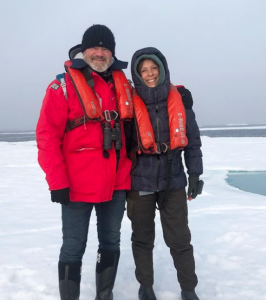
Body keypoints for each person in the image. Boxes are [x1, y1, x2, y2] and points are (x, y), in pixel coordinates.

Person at [36, 24, 132, 300]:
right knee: (73, 247)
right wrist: (57, 182)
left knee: (111, 241)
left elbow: (154, 91)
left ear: (112, 53)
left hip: (116, 182)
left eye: (106, 48)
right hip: (75, 186)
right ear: (83, 49)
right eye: (95, 47)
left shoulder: (122, 84)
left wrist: (181, 93)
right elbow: (46, 138)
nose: (100, 53)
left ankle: (104, 295)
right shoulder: (61, 87)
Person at [126, 47, 204, 300]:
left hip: (174, 179)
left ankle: (188, 289)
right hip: (140, 179)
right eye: (143, 70)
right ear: (137, 74)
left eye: (153, 68)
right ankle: (145, 286)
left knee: (180, 239)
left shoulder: (180, 98)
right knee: (142, 238)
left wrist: (195, 174)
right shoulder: (127, 100)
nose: (149, 74)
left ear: (162, 69)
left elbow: (192, 141)